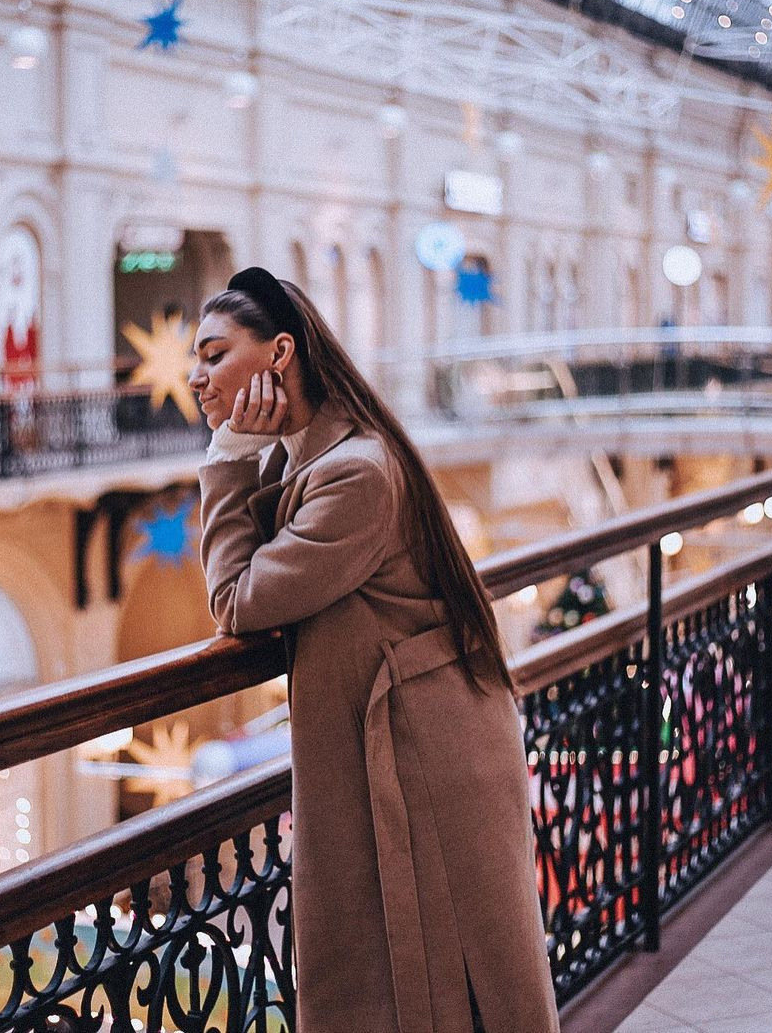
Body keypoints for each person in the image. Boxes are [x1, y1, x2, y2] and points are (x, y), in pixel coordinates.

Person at [189, 267, 559, 1033]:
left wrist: (226, 455)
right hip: (401, 747)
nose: (196, 377)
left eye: (215, 353)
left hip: (421, 762)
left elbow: (237, 600)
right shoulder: (320, 460)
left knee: (446, 987)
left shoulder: (355, 475)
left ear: (280, 352)